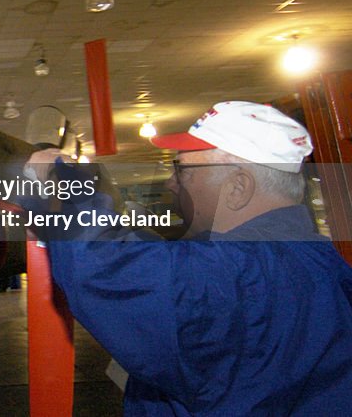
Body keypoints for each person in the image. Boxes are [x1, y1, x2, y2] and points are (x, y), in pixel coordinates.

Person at [23, 101, 352, 415]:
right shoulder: (324, 265)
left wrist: (57, 180)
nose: (171, 182)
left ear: (238, 188)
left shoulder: (235, 275)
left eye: (182, 170)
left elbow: (103, 266)